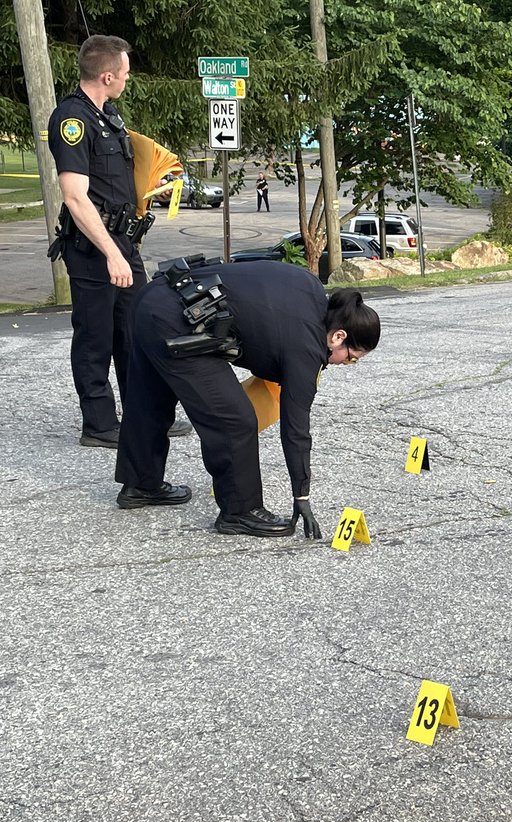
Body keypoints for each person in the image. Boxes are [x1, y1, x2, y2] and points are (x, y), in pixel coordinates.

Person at [113, 259, 381, 538]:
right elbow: (296, 431)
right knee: (235, 419)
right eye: (350, 358)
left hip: (154, 298)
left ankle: (141, 484)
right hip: (177, 319)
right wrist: (302, 496)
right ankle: (240, 511)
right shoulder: (307, 350)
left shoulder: (310, 287)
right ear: (338, 337)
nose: (344, 364)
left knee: (151, 398)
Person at [47, 35, 191, 448]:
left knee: (136, 331)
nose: (128, 79)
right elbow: (75, 196)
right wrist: (111, 253)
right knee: (95, 336)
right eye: (125, 73)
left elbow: (115, 184)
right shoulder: (72, 121)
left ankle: (146, 416)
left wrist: (153, 189)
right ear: (107, 75)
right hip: (94, 249)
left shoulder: (108, 116)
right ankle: (99, 424)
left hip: (124, 243)